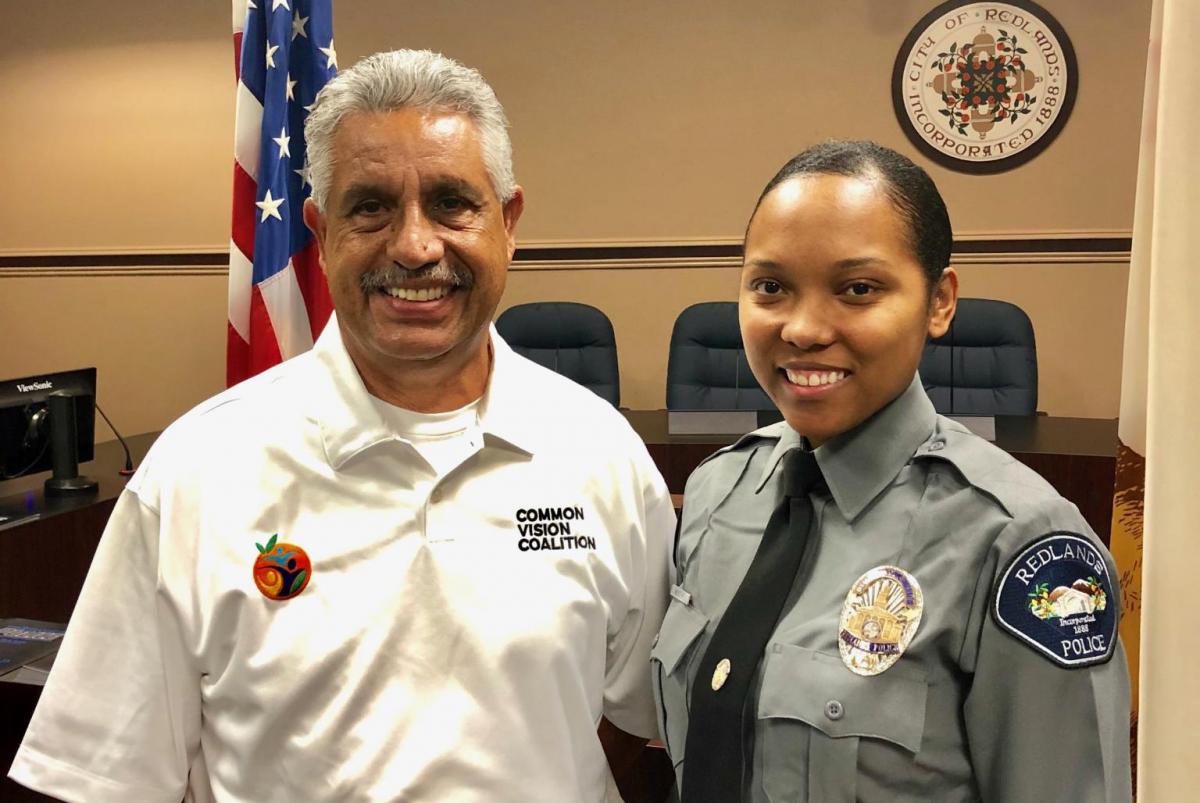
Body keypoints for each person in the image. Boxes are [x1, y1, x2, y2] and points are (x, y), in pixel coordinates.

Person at [10, 49, 675, 802]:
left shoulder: (602, 452)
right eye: (371, 207)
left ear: (509, 221)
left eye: (453, 202)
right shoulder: (197, 472)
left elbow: (636, 715)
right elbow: (105, 772)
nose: (415, 246)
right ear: (321, 233)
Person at [652, 141, 1131, 802]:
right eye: (770, 286)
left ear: (939, 302)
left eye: (857, 289)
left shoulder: (1021, 544)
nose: (803, 328)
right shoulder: (716, 491)